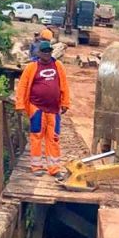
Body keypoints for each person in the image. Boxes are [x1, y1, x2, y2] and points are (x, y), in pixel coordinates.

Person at [15, 39, 70, 175]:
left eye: (49, 51)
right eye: (44, 51)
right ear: (39, 53)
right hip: (37, 107)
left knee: (54, 138)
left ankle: (54, 168)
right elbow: (22, 86)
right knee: (37, 136)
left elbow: (64, 84)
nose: (47, 54)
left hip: (54, 109)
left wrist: (65, 102)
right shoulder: (31, 67)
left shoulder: (58, 65)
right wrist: (20, 104)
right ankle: (37, 166)